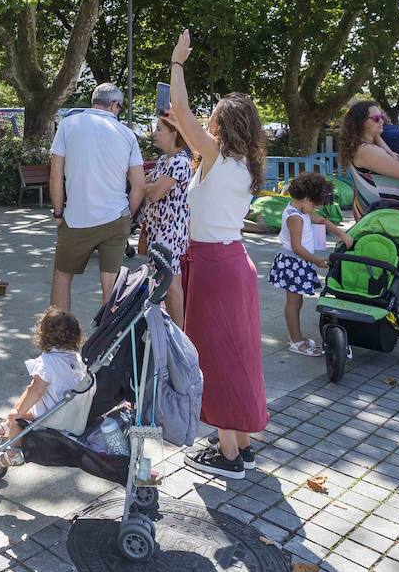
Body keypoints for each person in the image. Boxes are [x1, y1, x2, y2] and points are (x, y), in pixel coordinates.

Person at [167, 30, 268, 480]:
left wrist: (177, 64)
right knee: (239, 353)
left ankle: (228, 454)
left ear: (222, 125)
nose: (204, 125)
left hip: (213, 265)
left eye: (211, 120)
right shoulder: (245, 162)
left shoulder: (217, 155)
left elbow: (182, 114)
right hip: (233, 262)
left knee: (216, 355)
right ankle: (240, 442)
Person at [49, 84, 147, 311]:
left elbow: (56, 175)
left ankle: (58, 338)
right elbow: (139, 186)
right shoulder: (127, 134)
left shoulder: (68, 125)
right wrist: (127, 218)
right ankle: (108, 339)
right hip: (115, 218)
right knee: (111, 285)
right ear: (113, 105)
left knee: (62, 277)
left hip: (76, 217)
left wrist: (58, 213)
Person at [0, 306, 87, 466]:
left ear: (43, 334)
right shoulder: (76, 359)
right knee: (27, 403)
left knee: (16, 417)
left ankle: (13, 452)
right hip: (71, 414)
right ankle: (7, 425)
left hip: (54, 418)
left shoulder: (47, 362)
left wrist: (17, 413)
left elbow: (37, 391)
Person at [269, 172, 353, 357]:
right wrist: (317, 261)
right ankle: (295, 340)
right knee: (293, 302)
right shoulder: (295, 217)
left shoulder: (301, 210)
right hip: (294, 263)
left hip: (299, 262)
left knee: (297, 302)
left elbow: (321, 220)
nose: (315, 209)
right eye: (314, 204)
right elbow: (297, 247)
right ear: (306, 199)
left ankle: (296, 336)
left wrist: (341, 233)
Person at [142, 116, 193, 327]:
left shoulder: (180, 161)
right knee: (165, 282)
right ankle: (171, 329)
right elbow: (148, 185)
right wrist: (149, 186)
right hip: (160, 229)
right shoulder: (165, 160)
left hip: (171, 231)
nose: (154, 133)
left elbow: (154, 192)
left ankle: (179, 335)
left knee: (172, 284)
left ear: (174, 134)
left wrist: (147, 186)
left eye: (159, 129)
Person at [337, 101, 399, 215]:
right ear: (361, 123)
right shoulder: (366, 150)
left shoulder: (366, 143)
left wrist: (390, 152)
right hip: (383, 217)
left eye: (381, 117)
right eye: (376, 118)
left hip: (386, 214)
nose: (381, 121)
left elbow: (377, 137)